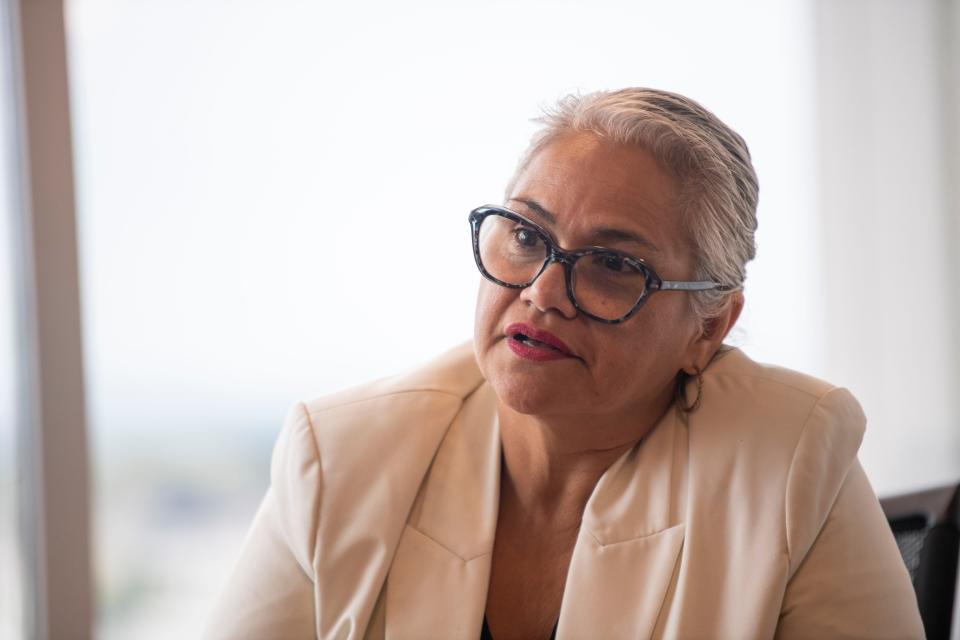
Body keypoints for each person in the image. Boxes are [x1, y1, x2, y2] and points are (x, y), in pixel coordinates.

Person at [204, 88, 923, 639]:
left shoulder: (793, 458)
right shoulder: (339, 456)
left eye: (611, 263)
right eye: (525, 235)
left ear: (709, 325)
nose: (543, 292)